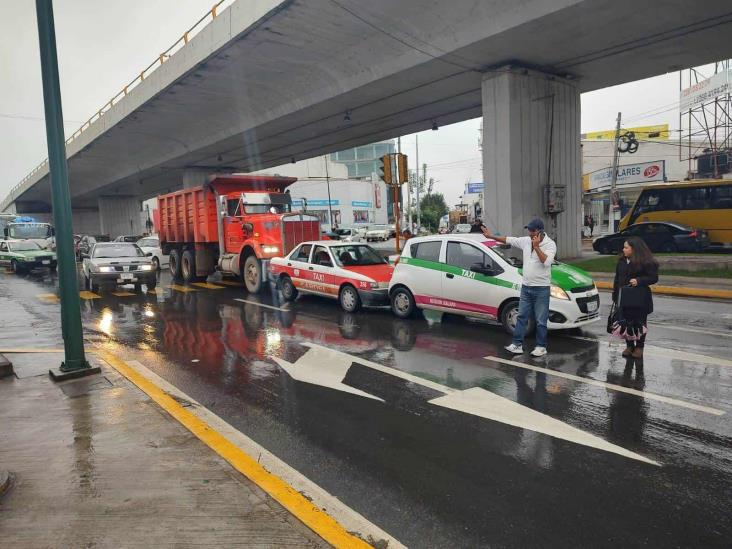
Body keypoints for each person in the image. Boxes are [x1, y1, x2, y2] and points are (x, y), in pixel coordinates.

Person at [481, 218, 556, 357]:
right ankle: (517, 344)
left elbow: (546, 262)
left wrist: (538, 246)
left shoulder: (550, 244)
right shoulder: (526, 241)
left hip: (541, 289)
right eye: (529, 230)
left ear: (539, 231)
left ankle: (541, 346)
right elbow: (509, 239)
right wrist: (490, 236)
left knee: (540, 320)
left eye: (532, 230)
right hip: (526, 287)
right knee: (521, 316)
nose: (529, 233)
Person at [612, 236, 658, 359]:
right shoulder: (622, 261)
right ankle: (629, 345)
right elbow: (617, 279)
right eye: (624, 247)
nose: (623, 249)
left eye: (626, 247)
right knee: (625, 322)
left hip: (639, 298)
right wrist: (615, 295)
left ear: (634, 249)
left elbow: (653, 278)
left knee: (639, 323)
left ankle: (639, 347)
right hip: (624, 297)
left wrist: (639, 280)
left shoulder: (646, 262)